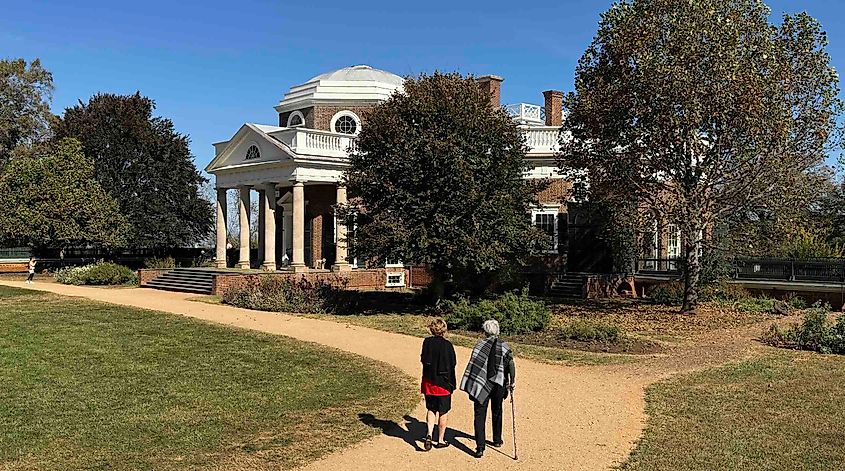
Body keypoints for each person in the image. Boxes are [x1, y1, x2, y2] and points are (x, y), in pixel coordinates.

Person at [460, 319, 516, 459]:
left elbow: (474, 366)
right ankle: (497, 440)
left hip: (481, 384)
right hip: (499, 384)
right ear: (497, 331)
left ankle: (480, 447)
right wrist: (512, 382)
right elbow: (511, 365)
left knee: (479, 413)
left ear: (485, 331)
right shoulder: (504, 346)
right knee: (497, 410)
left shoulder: (479, 346)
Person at [419, 318, 457, 451]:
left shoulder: (427, 342)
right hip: (443, 384)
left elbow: (423, 359)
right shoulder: (448, 345)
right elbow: (453, 363)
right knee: (443, 411)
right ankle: (440, 439)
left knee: (431, 409)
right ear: (444, 330)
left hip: (429, 382)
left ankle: (429, 434)